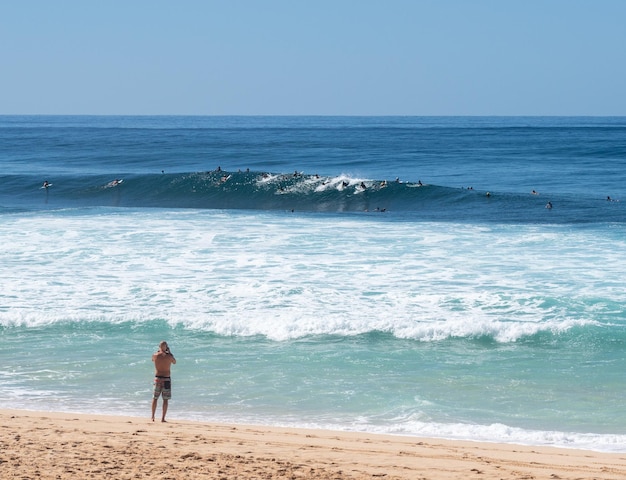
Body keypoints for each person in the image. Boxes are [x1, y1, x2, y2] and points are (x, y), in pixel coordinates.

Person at [151, 341, 176, 422]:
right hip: (166, 379)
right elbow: (174, 362)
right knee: (165, 400)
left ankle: (152, 416)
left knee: (155, 398)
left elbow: (152, 360)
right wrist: (169, 352)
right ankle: (162, 418)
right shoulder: (169, 356)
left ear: (159, 347)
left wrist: (158, 352)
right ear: (166, 347)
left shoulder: (155, 355)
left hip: (157, 378)